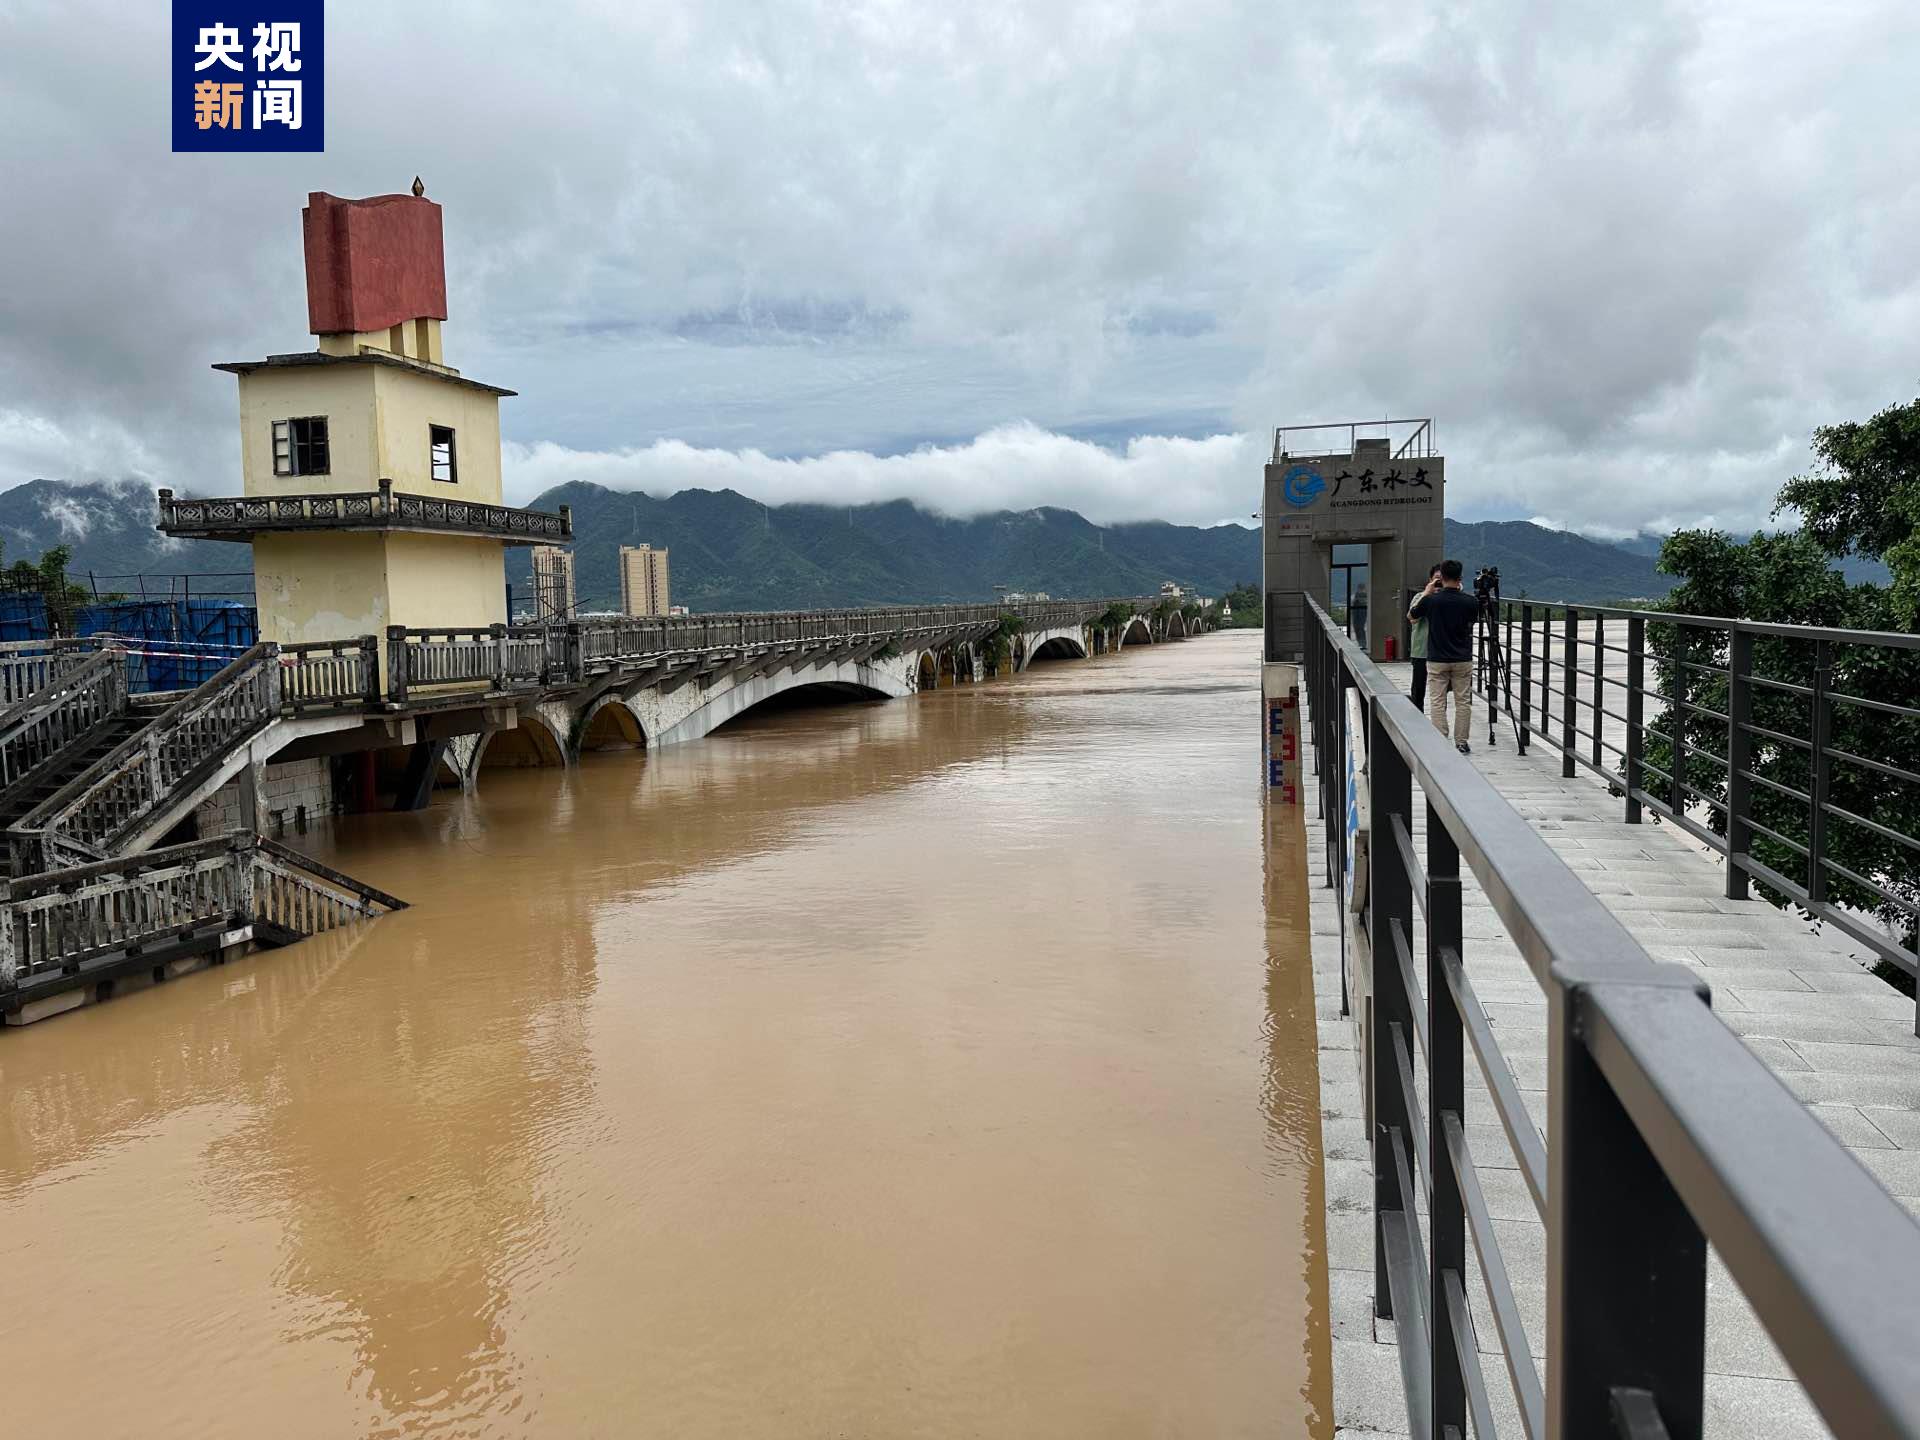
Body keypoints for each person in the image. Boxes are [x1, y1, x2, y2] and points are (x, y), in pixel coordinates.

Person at [1408, 558, 1478, 753]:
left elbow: (1412, 616)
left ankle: (1440, 740)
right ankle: (1461, 742)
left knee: (1437, 701)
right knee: (1463, 702)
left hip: (1437, 658)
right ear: (1460, 578)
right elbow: (1472, 620)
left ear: (1442, 578)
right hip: (1462, 658)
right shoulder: (1470, 601)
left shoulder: (1431, 600)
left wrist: (1427, 592)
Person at [1406, 563, 1441, 708]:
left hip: (1440, 652)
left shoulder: (1448, 599)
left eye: (1443, 579)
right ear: (1430, 580)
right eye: (1437, 579)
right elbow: (1412, 618)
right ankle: (1417, 715)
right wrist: (1427, 594)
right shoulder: (1419, 597)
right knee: (1418, 688)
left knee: (1440, 691)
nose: (1439, 583)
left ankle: (1438, 719)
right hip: (1421, 650)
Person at [1349, 579, 1369, 653]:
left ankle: (1362, 643)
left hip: (1360, 613)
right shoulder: (1356, 595)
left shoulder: (1364, 595)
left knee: (1360, 628)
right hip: (1356, 613)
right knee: (1358, 628)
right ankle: (1361, 643)